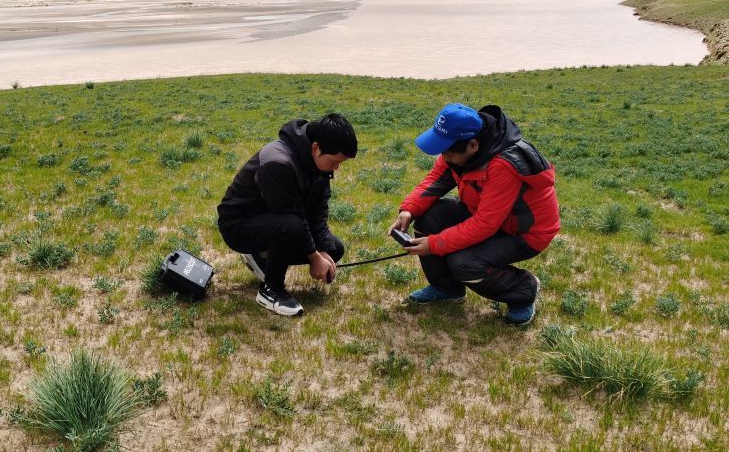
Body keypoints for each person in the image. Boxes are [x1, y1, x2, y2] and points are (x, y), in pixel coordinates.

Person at [390, 103, 559, 326]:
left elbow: (485, 225)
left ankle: (524, 289)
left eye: (448, 152)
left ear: (473, 145)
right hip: (488, 217)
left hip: (524, 234)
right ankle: (447, 290)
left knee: (463, 263)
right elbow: (436, 179)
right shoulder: (458, 148)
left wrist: (434, 244)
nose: (444, 156)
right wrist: (409, 209)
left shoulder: (503, 166)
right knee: (428, 216)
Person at [217, 114, 358, 316]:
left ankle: (261, 257)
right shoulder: (278, 162)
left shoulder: (317, 165)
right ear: (316, 147)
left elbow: (317, 212)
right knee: (291, 226)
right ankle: (271, 291)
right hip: (239, 225)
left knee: (334, 248)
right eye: (335, 161)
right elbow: (292, 215)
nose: (336, 168)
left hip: (275, 220)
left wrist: (323, 250)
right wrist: (314, 256)